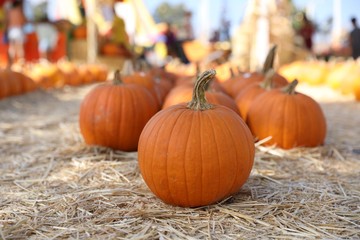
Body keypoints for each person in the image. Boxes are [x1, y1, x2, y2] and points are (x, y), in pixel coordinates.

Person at [4, 0, 26, 66]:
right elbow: (22, 20)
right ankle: (21, 62)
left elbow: (6, 21)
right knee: (19, 47)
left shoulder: (9, 11)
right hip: (18, 29)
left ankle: (12, 63)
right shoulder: (19, 10)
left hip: (11, 30)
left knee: (12, 47)